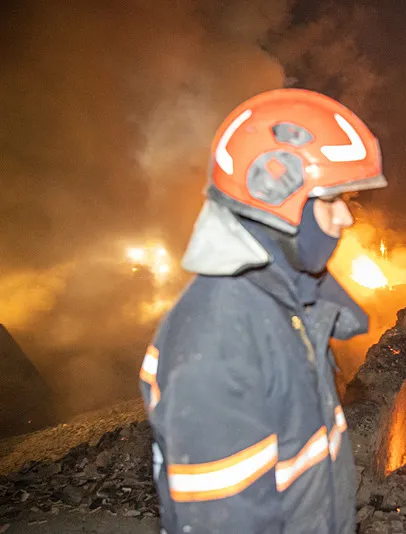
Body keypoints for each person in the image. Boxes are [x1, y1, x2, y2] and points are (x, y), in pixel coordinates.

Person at [138, 88, 386, 533]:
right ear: (276, 194)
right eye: (334, 201)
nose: (346, 219)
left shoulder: (287, 307)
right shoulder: (220, 337)